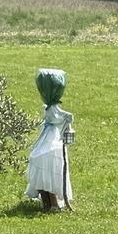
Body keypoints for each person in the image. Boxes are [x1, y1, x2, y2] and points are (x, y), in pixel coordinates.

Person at [25, 68, 74, 212]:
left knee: (45, 163)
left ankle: (52, 202)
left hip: (52, 138)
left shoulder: (50, 108)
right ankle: (48, 201)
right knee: (43, 162)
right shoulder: (50, 108)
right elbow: (60, 116)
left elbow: (60, 116)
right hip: (49, 137)